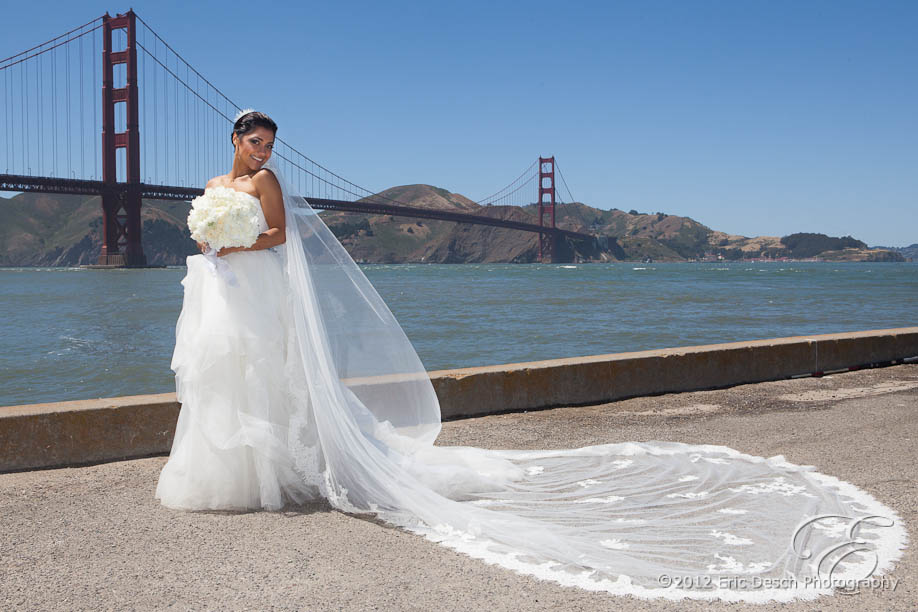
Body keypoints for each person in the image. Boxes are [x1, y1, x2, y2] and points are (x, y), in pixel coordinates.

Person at [156, 110, 905, 602]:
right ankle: (245, 473)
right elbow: (215, 230)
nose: (265, 151)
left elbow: (281, 238)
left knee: (271, 378)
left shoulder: (266, 185)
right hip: (229, 291)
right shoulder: (221, 184)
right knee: (234, 381)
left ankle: (283, 473)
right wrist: (211, 238)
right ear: (235, 138)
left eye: (272, 143)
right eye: (257, 141)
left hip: (252, 278)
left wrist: (237, 236)